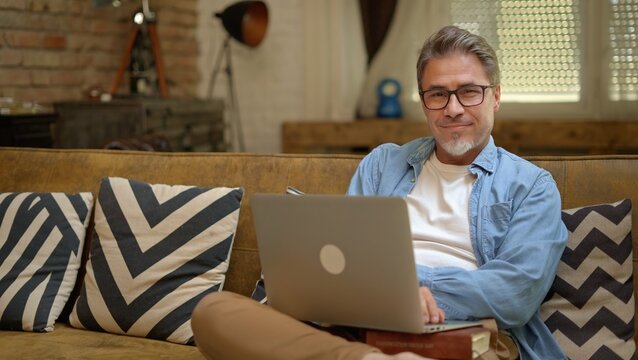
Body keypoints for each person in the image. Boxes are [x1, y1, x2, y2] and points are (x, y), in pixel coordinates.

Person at [191, 25, 568, 360]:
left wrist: (408, 288)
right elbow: (346, 263)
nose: (453, 108)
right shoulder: (382, 164)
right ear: (424, 103)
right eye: (437, 94)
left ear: (496, 97)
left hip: (463, 337)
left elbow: (514, 294)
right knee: (213, 311)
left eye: (469, 92)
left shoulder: (531, 186)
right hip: (357, 329)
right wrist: (388, 297)